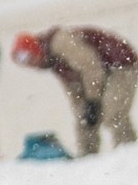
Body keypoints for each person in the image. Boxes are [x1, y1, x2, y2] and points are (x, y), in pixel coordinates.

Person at [10, 27, 138, 156]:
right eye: (22, 61)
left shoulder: (60, 42)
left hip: (120, 65)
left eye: (26, 56)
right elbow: (74, 89)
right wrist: (84, 111)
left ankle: (128, 153)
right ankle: (87, 159)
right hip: (101, 72)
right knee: (84, 119)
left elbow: (91, 67)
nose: (29, 63)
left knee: (113, 112)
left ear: (34, 48)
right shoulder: (52, 61)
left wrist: (92, 100)